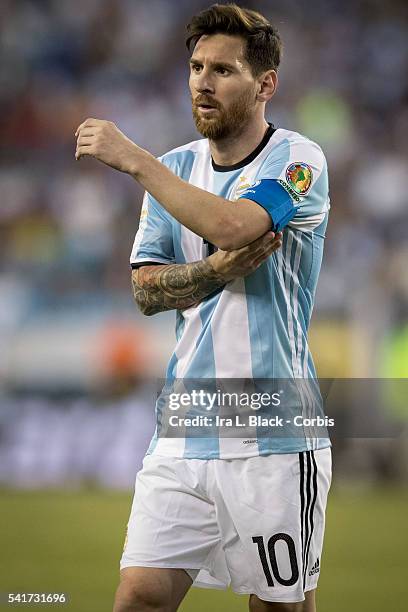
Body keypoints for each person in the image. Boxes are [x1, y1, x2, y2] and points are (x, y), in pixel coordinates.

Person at [75, 4, 331, 611]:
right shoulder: (177, 170)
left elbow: (232, 224)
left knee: (279, 609)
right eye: (195, 67)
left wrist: (134, 160)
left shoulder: (300, 161)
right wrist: (212, 272)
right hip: (186, 428)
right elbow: (146, 290)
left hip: (273, 430)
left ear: (266, 84)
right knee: (138, 597)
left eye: (223, 70)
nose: (202, 82)